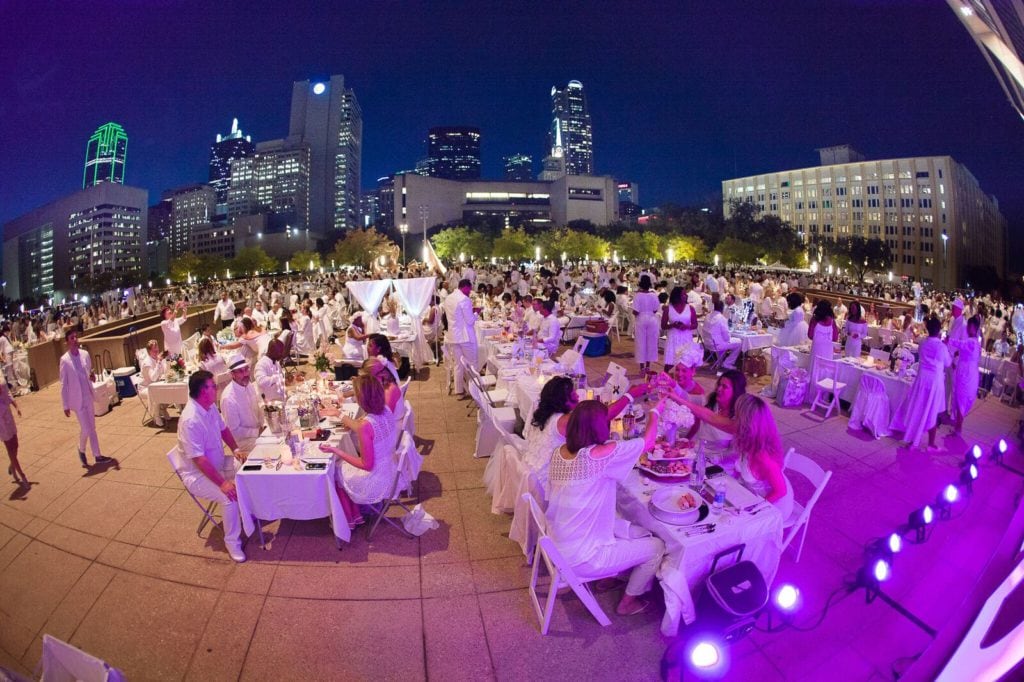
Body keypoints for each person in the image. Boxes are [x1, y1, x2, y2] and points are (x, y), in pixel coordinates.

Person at [546, 399, 667, 616]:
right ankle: (628, 602)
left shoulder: (559, 452)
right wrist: (655, 412)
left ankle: (609, 578)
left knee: (636, 530)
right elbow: (648, 442)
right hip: (583, 557)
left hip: (558, 542)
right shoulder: (599, 455)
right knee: (657, 545)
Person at [175, 370, 248, 562]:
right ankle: (232, 542)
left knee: (249, 470)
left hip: (217, 463)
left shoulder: (209, 407)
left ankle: (249, 515)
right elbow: (199, 460)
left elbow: (224, 430)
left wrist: (236, 449)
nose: (216, 389)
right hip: (198, 475)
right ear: (202, 391)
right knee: (229, 497)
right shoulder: (191, 419)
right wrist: (223, 483)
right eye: (213, 386)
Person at [524, 377, 647, 490]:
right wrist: (630, 395)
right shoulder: (563, 421)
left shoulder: (542, 413)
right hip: (545, 485)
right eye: (573, 393)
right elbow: (606, 415)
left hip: (528, 472)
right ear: (564, 400)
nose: (577, 395)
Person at [318, 374, 399, 528]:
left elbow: (366, 465)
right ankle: (355, 512)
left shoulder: (366, 425)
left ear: (362, 399)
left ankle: (349, 519)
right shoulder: (386, 410)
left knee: (334, 470)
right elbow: (363, 429)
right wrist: (338, 414)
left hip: (377, 478)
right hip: (391, 469)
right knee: (343, 462)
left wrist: (337, 451)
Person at [889, 316, 952, 450]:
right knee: (932, 411)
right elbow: (948, 362)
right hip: (934, 382)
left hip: (922, 379)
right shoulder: (941, 347)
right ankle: (931, 443)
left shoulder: (923, 342)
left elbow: (921, 353)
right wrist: (945, 345)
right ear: (939, 329)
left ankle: (912, 438)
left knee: (918, 408)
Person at [732, 395, 793, 518]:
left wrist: (754, 509)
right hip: (752, 495)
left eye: (737, 415)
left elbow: (781, 491)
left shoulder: (763, 457)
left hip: (775, 505)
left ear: (746, 424)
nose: (734, 418)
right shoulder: (749, 442)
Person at [60, 329, 111, 467]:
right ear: (67, 342)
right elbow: (64, 384)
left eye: (76, 337)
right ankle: (81, 449)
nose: (75, 339)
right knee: (86, 428)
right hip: (77, 400)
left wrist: (92, 377)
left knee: (92, 427)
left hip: (88, 395)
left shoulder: (85, 354)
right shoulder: (65, 360)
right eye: (72, 338)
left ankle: (97, 455)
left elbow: (89, 373)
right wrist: (65, 405)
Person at [670, 369, 747, 447]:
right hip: (697, 454)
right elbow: (686, 398)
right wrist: (672, 384)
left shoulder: (739, 418)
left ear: (736, 392)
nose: (719, 389)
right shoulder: (709, 402)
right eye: (719, 385)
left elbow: (735, 454)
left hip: (719, 458)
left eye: (724, 387)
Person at [220, 354, 263, 451]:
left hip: (258, 432)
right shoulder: (228, 398)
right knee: (270, 448)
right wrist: (257, 432)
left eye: (246, 369)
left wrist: (263, 425)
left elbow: (257, 409)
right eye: (240, 371)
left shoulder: (248, 385)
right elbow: (234, 431)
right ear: (232, 374)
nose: (245, 374)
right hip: (243, 442)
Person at [443, 278, 478, 395]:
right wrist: (477, 313)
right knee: (472, 362)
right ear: (465, 287)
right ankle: (474, 390)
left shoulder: (448, 298)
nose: (470, 292)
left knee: (458, 365)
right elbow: (470, 321)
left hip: (453, 336)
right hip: (465, 337)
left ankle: (459, 391)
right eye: (469, 289)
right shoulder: (464, 299)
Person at [948, 316, 982, 435]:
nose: (967, 328)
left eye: (969, 326)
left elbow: (960, 344)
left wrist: (949, 340)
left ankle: (958, 428)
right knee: (962, 399)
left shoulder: (971, 342)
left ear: (972, 327)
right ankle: (958, 427)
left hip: (966, 373)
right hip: (971, 372)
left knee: (961, 398)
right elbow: (965, 349)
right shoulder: (977, 342)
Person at [661, 286, 697, 372]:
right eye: (683, 294)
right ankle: (667, 381)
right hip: (673, 338)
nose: (686, 295)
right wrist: (673, 325)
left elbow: (695, 324)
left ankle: (685, 381)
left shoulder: (690, 308)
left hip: (686, 338)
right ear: (677, 296)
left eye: (685, 294)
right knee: (669, 363)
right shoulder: (668, 308)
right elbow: (663, 326)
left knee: (686, 362)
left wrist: (687, 326)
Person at [632, 275, 661, 374]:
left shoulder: (637, 295)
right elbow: (656, 309)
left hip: (641, 318)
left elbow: (635, 311)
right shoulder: (653, 295)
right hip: (652, 319)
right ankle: (648, 366)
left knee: (641, 343)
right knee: (651, 342)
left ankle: (642, 367)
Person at [0, 379, 26, 486]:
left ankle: (12, 466)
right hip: (1, 424)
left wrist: (17, 407)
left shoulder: (1, 380)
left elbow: (8, 394)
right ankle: (22, 476)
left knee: (16, 446)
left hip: (9, 418)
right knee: (10, 449)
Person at [704, 300, 742, 370]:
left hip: (707, 343)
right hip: (716, 345)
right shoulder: (721, 318)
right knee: (739, 342)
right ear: (722, 308)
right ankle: (727, 363)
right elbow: (727, 337)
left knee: (721, 340)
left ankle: (720, 361)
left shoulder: (707, 316)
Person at [807, 300, 839, 380]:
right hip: (827, 350)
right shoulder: (832, 321)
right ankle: (823, 388)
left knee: (814, 367)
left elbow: (810, 335)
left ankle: (813, 387)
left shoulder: (814, 320)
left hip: (816, 349)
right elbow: (835, 337)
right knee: (826, 368)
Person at [255, 339, 287, 403]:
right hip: (269, 401)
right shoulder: (261, 364)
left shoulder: (276, 361)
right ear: (272, 351)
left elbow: (280, 377)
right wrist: (278, 377)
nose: (282, 355)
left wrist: (286, 378)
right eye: (280, 352)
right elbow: (261, 382)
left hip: (279, 397)